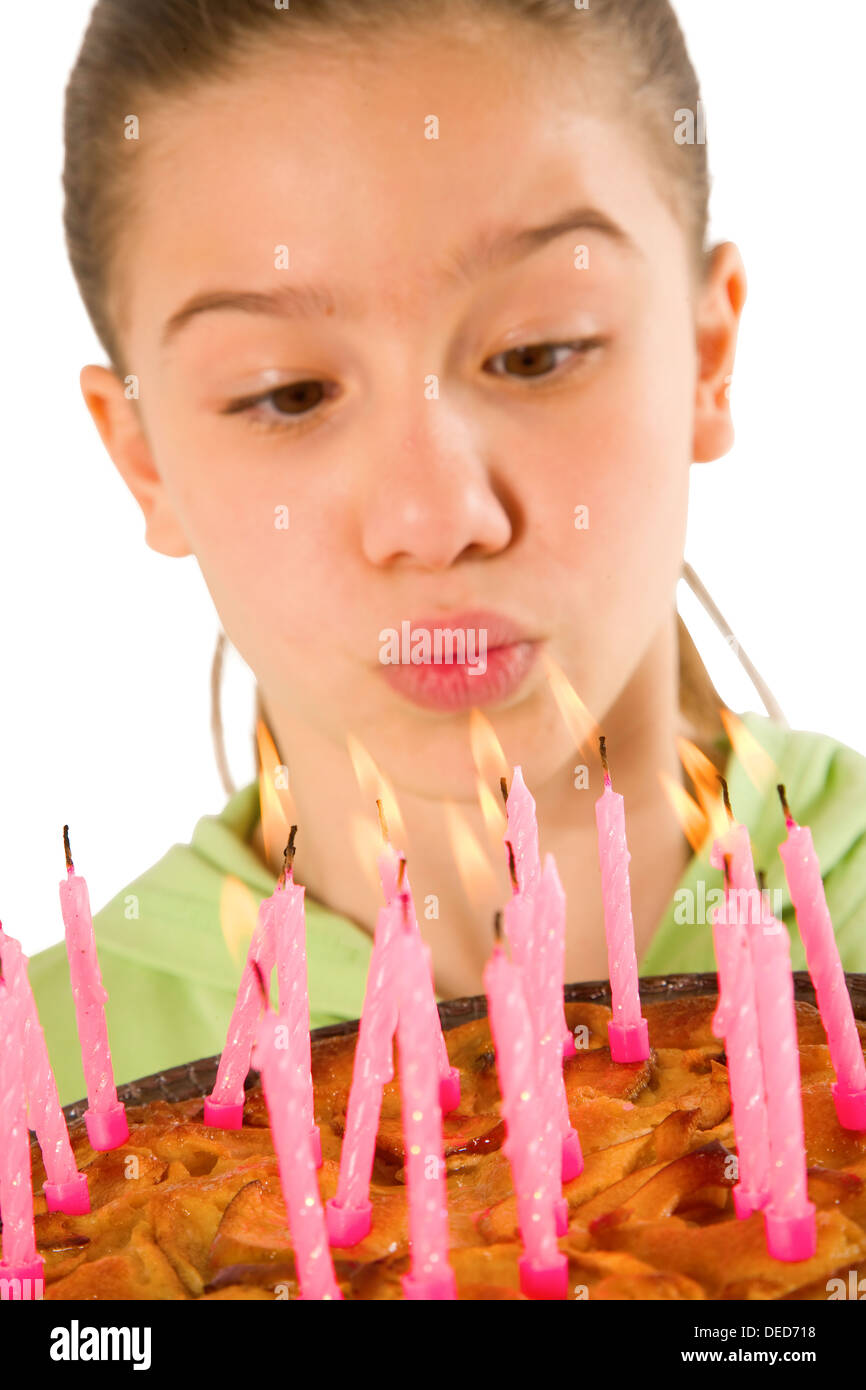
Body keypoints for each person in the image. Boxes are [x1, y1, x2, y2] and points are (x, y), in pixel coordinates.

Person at [32, 0, 866, 1105]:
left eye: (535, 353)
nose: (435, 517)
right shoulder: (32, 1090)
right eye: (287, 393)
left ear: (707, 356)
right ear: (141, 460)